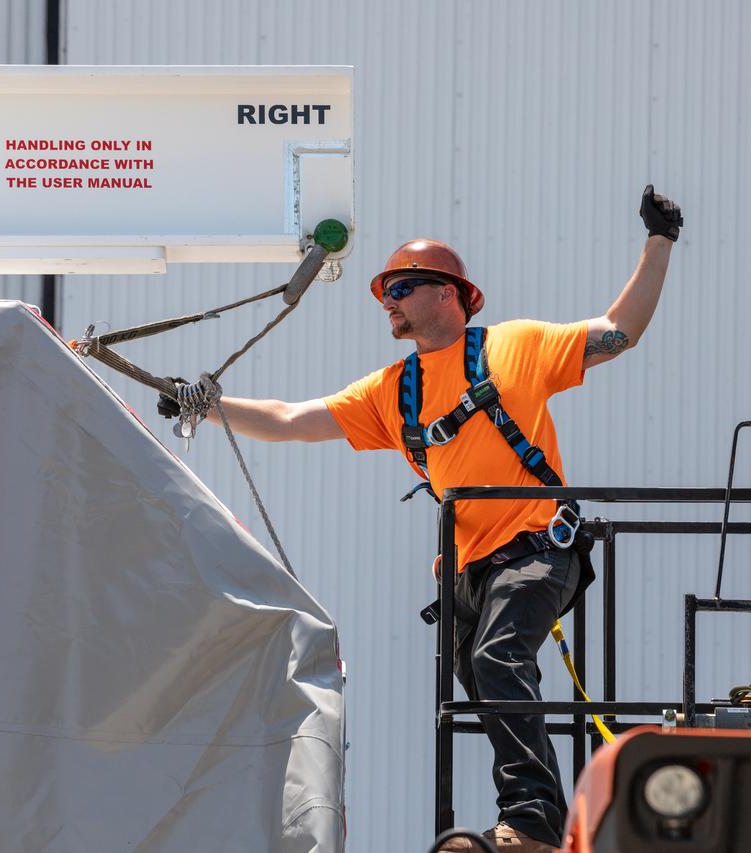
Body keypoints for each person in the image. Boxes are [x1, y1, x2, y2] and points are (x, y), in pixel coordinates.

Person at [161, 186, 681, 853]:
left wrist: (659, 241)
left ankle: (529, 822)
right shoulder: (394, 392)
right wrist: (208, 404)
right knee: (476, 667)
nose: (390, 301)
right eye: (386, 292)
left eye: (402, 287)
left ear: (449, 294)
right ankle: (534, 821)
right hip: (471, 564)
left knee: (497, 657)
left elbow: (620, 332)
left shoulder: (515, 349)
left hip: (536, 545)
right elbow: (293, 420)